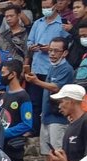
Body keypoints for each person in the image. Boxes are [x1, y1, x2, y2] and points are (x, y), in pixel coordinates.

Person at [26, 37, 74, 161]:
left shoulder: (66, 68)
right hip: (47, 113)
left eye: (56, 51)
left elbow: (55, 87)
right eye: (50, 50)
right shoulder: (53, 66)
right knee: (47, 147)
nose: (52, 53)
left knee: (57, 146)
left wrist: (36, 81)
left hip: (58, 115)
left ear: (64, 53)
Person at [27, 0, 70, 135]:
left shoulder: (62, 24)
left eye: (48, 7)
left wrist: (50, 49)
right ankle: (35, 130)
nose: (45, 9)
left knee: (52, 102)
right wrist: (32, 46)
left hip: (53, 69)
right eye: (43, 7)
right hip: (37, 67)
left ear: (55, 6)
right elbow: (29, 41)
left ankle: (54, 130)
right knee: (35, 102)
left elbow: (67, 44)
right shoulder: (37, 23)